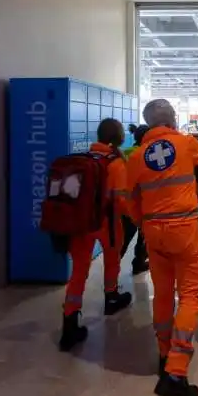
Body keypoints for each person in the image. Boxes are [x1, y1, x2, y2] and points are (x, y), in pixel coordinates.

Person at [126, 99, 198, 396]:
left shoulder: (137, 155)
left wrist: (145, 221)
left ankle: (164, 355)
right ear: (173, 119)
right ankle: (176, 372)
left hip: (154, 231)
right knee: (191, 294)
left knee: (163, 295)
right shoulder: (184, 143)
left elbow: (129, 199)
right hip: (184, 229)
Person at [59, 118, 133, 352]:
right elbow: (121, 200)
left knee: (79, 270)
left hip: (81, 223)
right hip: (107, 222)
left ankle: (69, 323)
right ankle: (111, 297)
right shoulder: (115, 163)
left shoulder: (84, 158)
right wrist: (138, 217)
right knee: (112, 260)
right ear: (119, 137)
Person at [120, 125, 150, 275]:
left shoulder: (125, 153)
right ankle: (139, 262)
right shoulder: (146, 155)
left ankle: (113, 270)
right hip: (142, 203)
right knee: (143, 237)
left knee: (123, 239)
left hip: (125, 203)